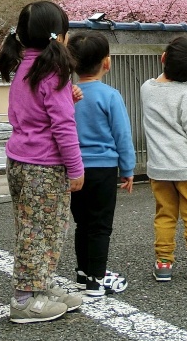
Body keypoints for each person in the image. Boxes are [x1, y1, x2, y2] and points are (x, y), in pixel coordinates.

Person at [0, 1, 85, 324]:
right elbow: (63, 126)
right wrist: (76, 168)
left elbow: (34, 110)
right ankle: (24, 300)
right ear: (59, 36)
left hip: (20, 161)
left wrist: (66, 97)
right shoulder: (53, 71)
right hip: (45, 167)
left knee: (33, 228)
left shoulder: (25, 65)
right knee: (43, 231)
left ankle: (41, 286)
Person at [140, 36, 187, 282]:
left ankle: (163, 263)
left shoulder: (146, 89)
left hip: (159, 169)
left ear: (163, 58)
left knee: (164, 215)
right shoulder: (186, 95)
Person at [66, 31, 136, 297]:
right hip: (103, 168)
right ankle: (97, 279)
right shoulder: (110, 95)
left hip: (74, 169)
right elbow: (122, 135)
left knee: (83, 224)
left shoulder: (67, 95)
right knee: (100, 226)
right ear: (107, 62)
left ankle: (83, 274)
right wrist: (127, 169)